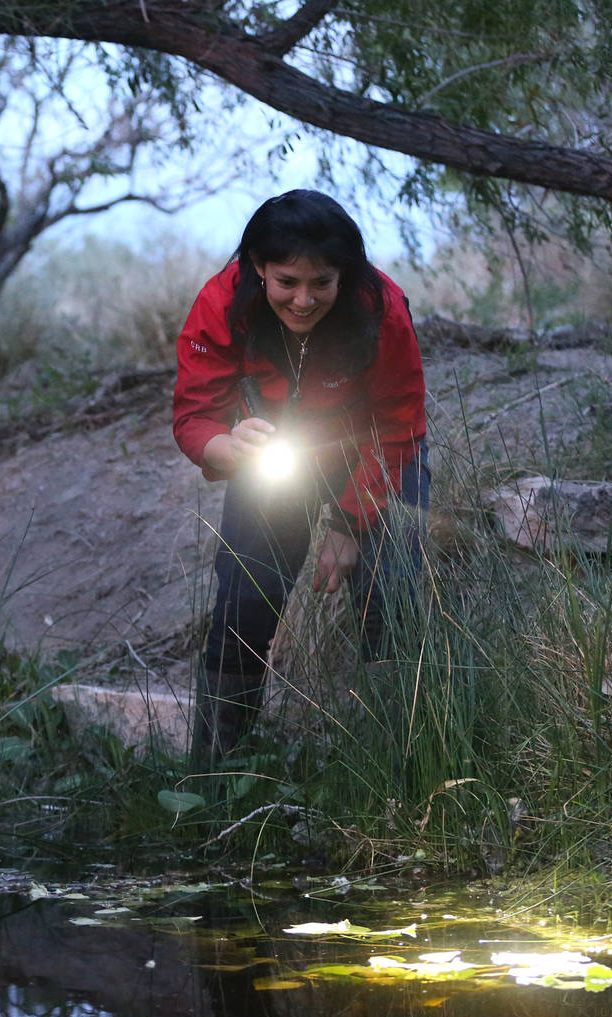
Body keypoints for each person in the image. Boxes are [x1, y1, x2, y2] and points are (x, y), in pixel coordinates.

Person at [173, 189, 428, 772]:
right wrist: (224, 445)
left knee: (393, 593)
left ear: (346, 275)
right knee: (244, 599)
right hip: (272, 459)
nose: (304, 299)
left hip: (375, 451)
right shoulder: (221, 302)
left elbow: (401, 422)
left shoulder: (381, 307)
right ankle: (215, 778)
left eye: (322, 283)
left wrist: (348, 522)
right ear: (258, 268)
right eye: (287, 281)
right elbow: (193, 414)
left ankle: (399, 767)